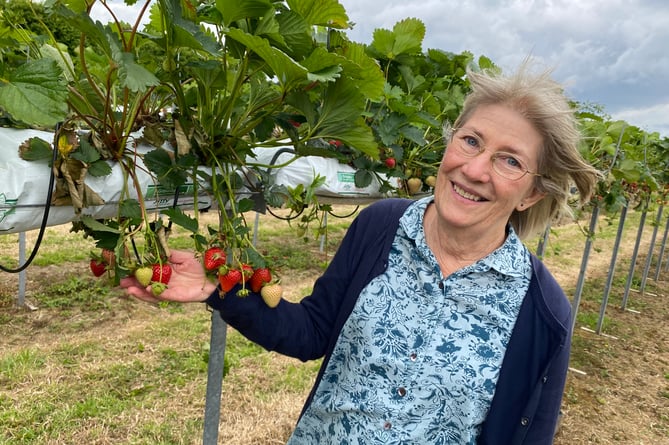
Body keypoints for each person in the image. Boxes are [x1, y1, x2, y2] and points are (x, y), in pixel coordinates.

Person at [122, 61, 600, 444]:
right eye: (471, 140)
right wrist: (222, 290)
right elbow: (311, 332)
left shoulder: (543, 311)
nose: (474, 169)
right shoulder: (381, 225)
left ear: (533, 194)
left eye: (509, 160)